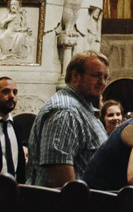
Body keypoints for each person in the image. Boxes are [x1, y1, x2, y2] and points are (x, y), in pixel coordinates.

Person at [31, 50, 110, 187]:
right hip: (69, 205)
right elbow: (61, 180)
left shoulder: (83, 108)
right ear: (75, 76)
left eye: (105, 77)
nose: (102, 83)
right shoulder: (66, 111)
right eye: (96, 76)